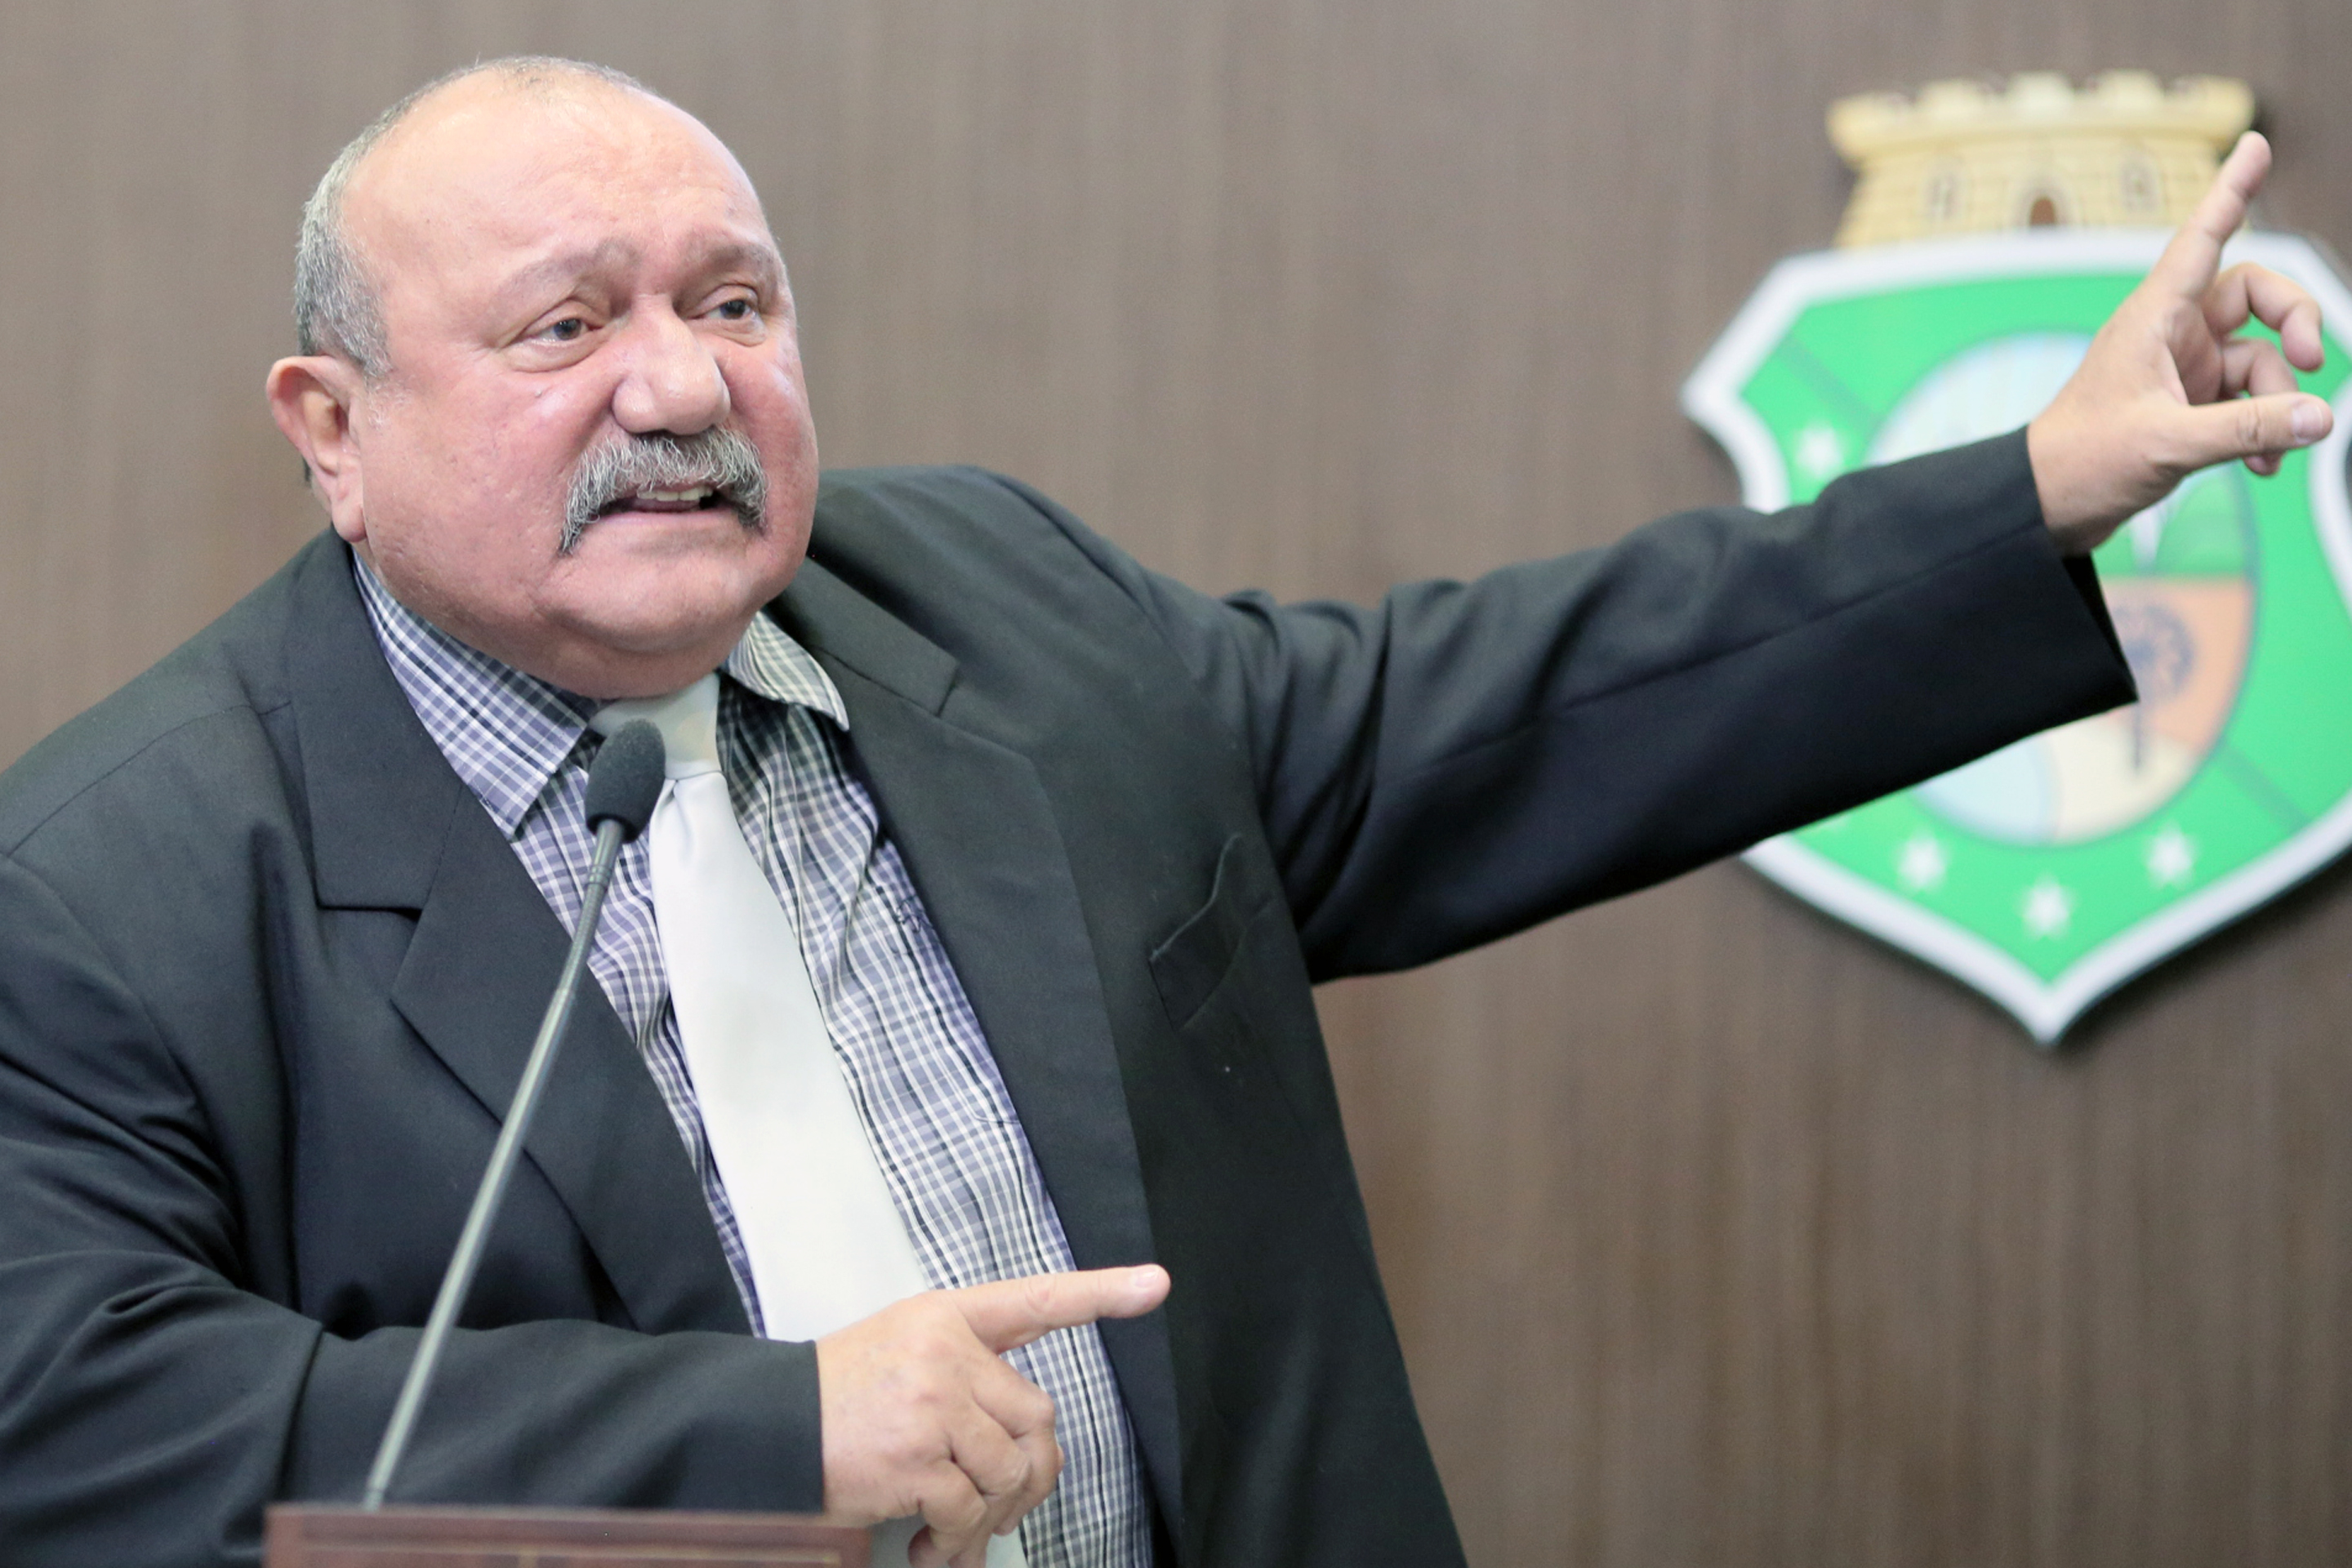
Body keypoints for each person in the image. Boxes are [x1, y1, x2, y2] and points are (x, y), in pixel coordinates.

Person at [0, 56, 2328, 1568]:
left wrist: (2038, 487)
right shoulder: (112, 884)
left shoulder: (991, 601)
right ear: (331, 425)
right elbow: (81, 1431)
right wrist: (759, 1443)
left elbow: (1493, 712)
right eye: (565, 327)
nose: (684, 384)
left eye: (737, 301)